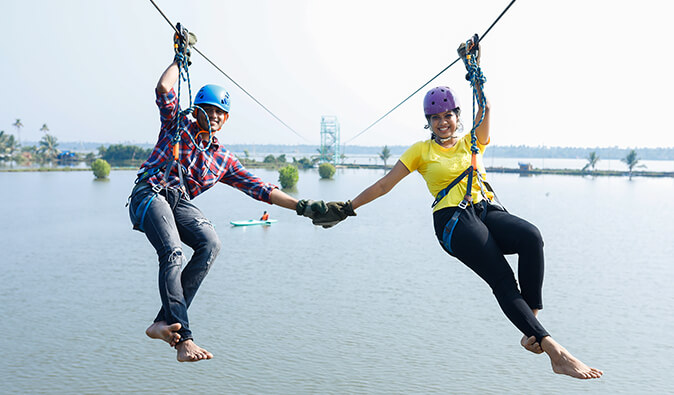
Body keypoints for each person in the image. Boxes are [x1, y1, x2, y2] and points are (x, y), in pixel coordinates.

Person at [324, 41, 603, 379]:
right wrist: (348, 207)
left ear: (457, 116)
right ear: (428, 122)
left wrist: (475, 76)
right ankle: (555, 352)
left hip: (485, 210)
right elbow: (385, 185)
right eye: (436, 118)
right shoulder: (419, 151)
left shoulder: (474, 140)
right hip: (452, 220)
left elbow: (486, 109)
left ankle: (532, 324)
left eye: (448, 115)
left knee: (531, 237)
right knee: (501, 276)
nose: (443, 122)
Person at [128, 32, 331, 362]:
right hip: (149, 192)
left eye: (221, 112)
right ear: (197, 111)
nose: (215, 116)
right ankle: (184, 341)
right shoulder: (178, 126)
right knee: (173, 251)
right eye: (208, 109)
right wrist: (179, 60)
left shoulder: (222, 159)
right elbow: (164, 91)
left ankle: (161, 321)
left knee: (211, 244)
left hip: (176, 199)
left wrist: (303, 206)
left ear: (226, 119)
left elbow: (262, 189)